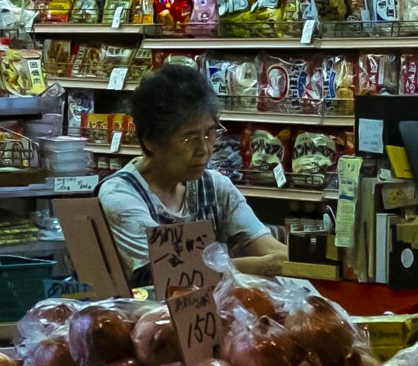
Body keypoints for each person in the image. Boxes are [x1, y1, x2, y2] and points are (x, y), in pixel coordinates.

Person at [78, 60, 286, 279]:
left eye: (210, 133)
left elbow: (268, 248)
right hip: (143, 311)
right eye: (189, 138)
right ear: (151, 141)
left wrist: (301, 262)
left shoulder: (215, 186)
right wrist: (264, 266)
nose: (204, 149)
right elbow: (172, 269)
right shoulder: (120, 195)